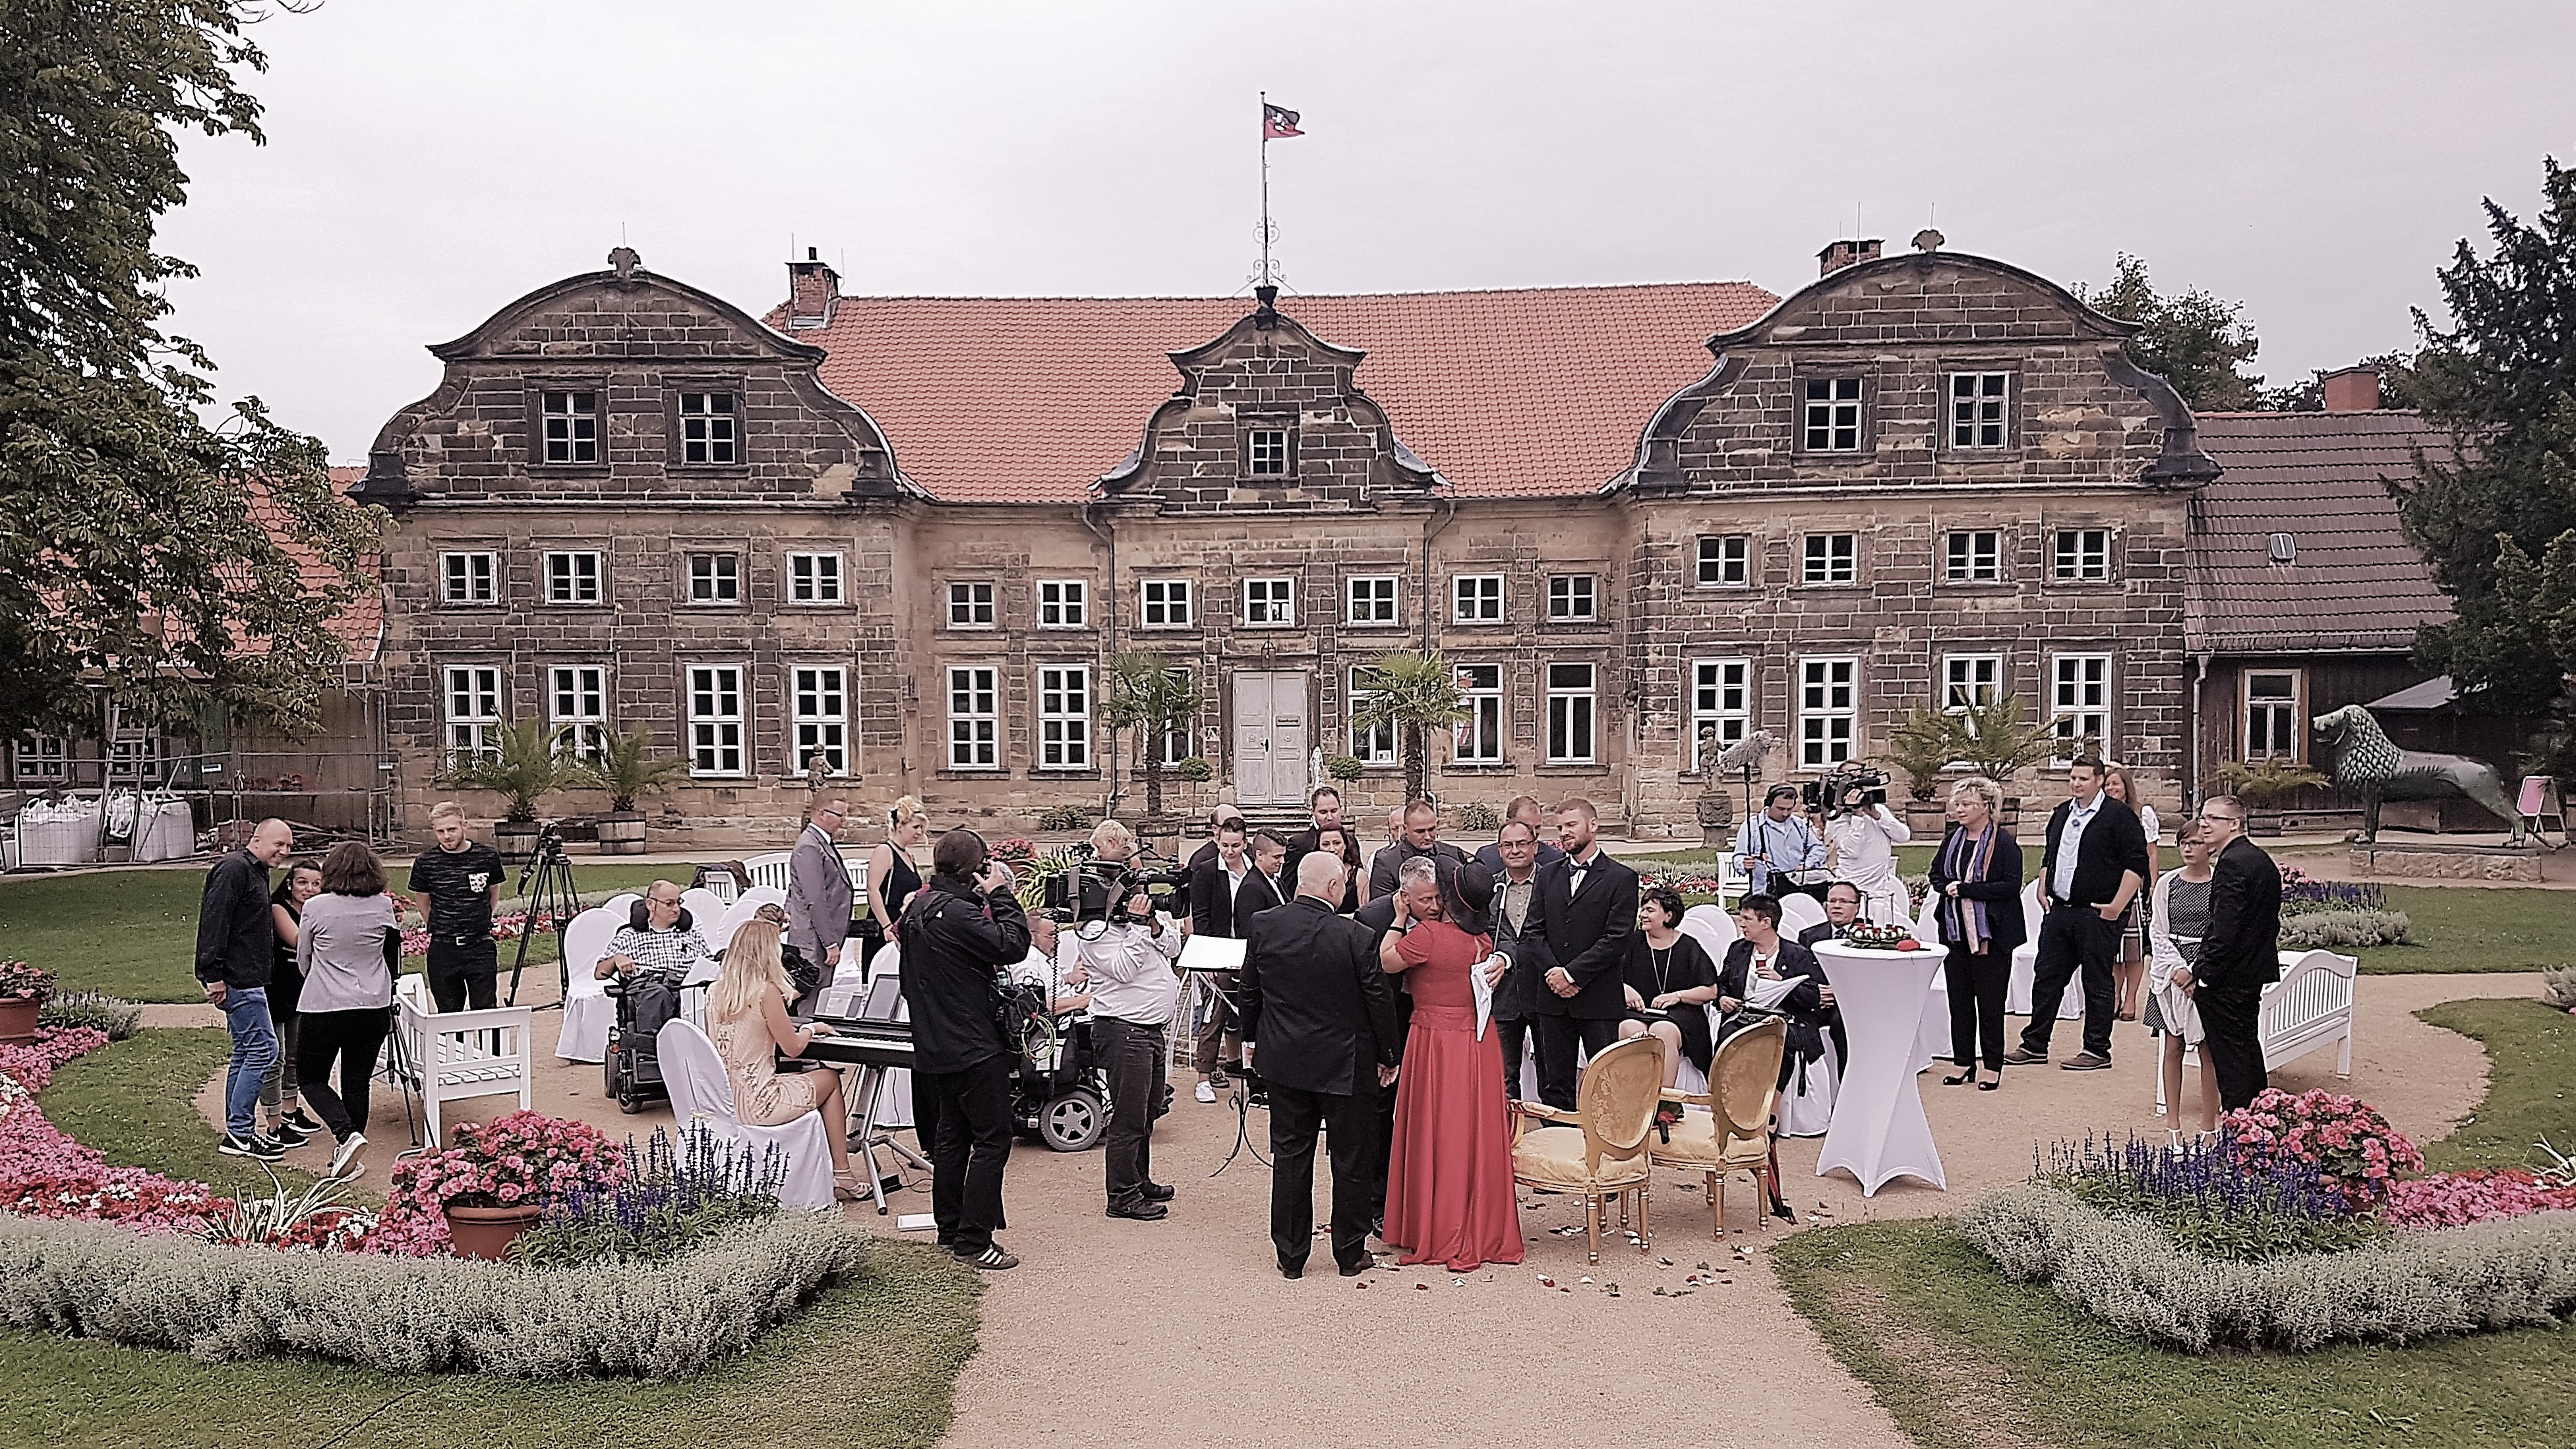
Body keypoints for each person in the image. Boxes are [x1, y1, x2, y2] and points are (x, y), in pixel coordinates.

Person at [1240, 850, 1403, 1279]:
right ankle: (1349, 1253)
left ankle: (1290, 1256)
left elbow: (1249, 989)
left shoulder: (1264, 925)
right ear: (1334, 888)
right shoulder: (1354, 936)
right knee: (1351, 1159)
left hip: (1285, 1059)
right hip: (1344, 1063)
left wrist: (1250, 1039)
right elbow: (1378, 1001)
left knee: (1291, 1156)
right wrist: (1389, 1056)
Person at [899, 829, 1033, 1270]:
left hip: (936, 1041)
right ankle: (974, 1240)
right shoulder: (956, 911)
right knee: (992, 1139)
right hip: (972, 1042)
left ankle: (950, 1228)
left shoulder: (918, 906)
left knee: (952, 1137)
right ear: (976, 869)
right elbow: (1012, 945)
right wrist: (1001, 896)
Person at [1379, 862, 1520, 1270]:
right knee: (1473, 1132)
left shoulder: (1428, 935)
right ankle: (1479, 1222)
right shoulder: (1484, 940)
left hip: (1434, 1039)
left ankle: (1434, 1225)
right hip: (1478, 1040)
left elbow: (1388, 961)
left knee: (1434, 1130)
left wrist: (1398, 919)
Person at [1069, 820, 1184, 1220]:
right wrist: (1137, 929)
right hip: (1123, 1030)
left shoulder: (1137, 916)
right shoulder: (1093, 926)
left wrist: (1150, 924)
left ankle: (1140, 1178)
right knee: (1128, 1114)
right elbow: (1120, 968)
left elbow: (1171, 946)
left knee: (1150, 1109)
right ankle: (1121, 1196)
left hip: (1149, 1030)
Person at [2008, 755, 2150, 1072]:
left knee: (2097, 980)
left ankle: (2097, 1049)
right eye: (2073, 778)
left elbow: (2135, 864)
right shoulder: (2061, 813)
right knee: (2047, 977)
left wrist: (2116, 907)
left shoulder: (2118, 817)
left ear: (2100, 780)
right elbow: (2051, 853)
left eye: (2084, 779)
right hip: (2060, 911)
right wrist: (2044, 885)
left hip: (2097, 913)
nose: (2076, 784)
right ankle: (2035, 1044)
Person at [707, 916, 863, 1200]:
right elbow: (793, 1048)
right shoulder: (765, 992)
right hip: (759, 1104)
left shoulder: (715, 991)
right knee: (829, 1078)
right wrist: (810, 1028)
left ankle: (831, 1166)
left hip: (726, 1101)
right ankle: (842, 1170)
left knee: (791, 1078)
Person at [292, 841, 402, 1179]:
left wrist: (322, 977)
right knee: (357, 1082)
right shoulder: (382, 906)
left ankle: (346, 1135)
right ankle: (350, 1148)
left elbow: (304, 958)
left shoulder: (316, 907)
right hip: (372, 1006)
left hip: (324, 1005)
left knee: (310, 1078)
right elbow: (392, 955)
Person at [1521, 798, 1639, 1111]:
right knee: (1555, 1083)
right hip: (1552, 998)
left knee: (1606, 1080)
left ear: (1593, 826)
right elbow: (1533, 931)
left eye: (1571, 825)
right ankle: (1558, 1147)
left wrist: (1572, 975)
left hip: (1598, 998)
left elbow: (1617, 939)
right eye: (1560, 828)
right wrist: (1554, 974)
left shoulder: (1621, 878)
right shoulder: (1548, 875)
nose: (1564, 833)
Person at [195, 817, 293, 1160]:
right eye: (278, 844)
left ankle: (238, 1131)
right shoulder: (233, 869)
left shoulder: (256, 871)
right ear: (257, 839)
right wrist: (212, 974)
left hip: (250, 975)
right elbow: (214, 921)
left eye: (289, 847)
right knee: (264, 1049)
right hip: (238, 977)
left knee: (246, 1051)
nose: (284, 852)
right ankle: (240, 1133)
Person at [1710, 893, 1807, 1218]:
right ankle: (1731, 1111)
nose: (1742, 924)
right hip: (1741, 1016)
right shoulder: (1738, 951)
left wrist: (1784, 984)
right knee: (1728, 1042)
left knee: (1780, 1047)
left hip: (1779, 1019)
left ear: (1767, 922)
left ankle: (1768, 1120)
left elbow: (1813, 995)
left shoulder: (1795, 954)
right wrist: (1724, 999)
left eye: (1748, 919)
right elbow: (1722, 985)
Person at [2184, 795, 2283, 1111]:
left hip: (2229, 979)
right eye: (2203, 818)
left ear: (2235, 824)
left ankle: (2242, 1131)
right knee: (2246, 1051)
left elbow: (2225, 928)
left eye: (2213, 819)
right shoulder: (2257, 858)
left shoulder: (2233, 863)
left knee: (2232, 1062)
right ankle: (2260, 1120)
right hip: (2250, 972)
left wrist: (2203, 976)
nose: (2204, 824)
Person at [1927, 775, 2025, 1090]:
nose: (1960, 809)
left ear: (1987, 807)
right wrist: (1950, 889)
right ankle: (1962, 1062)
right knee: (1960, 1000)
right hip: (1955, 932)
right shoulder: (1952, 839)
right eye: (1958, 804)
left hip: (1991, 935)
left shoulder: (2005, 843)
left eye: (1968, 804)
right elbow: (1936, 874)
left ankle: (1992, 1065)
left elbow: (2010, 885)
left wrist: (1967, 889)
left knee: (1990, 1001)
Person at [2147, 817, 2223, 1139]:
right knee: (2173, 1046)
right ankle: (2173, 1124)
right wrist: (2177, 969)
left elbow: (2223, 930)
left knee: (2208, 1049)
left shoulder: (2220, 883)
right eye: (2183, 843)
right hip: (2172, 970)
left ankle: (2208, 1125)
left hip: (2207, 969)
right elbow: (2158, 930)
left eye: (2194, 843)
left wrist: (2198, 972)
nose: (2188, 849)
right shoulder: (2168, 883)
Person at [1615, 886, 1722, 1086]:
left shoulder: (1689, 946)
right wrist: (1624, 989)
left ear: (1668, 915)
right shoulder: (1632, 942)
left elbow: (1711, 990)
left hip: (1679, 1014)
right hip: (1638, 1011)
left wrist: (1678, 996)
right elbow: (1609, 977)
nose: (1643, 915)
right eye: (1643, 909)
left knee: (1663, 1031)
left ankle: (1664, 1100)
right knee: (1629, 1028)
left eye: (1650, 911)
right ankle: (1631, 1097)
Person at [407, 802, 506, 1012]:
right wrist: (440, 925)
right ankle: (455, 1047)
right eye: (440, 831)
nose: (447, 836)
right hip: (444, 949)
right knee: (449, 1014)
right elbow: (423, 901)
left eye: (452, 829)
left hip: (480, 946)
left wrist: (481, 919)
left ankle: (491, 1047)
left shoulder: (487, 857)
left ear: (464, 826)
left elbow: (492, 891)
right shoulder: (425, 863)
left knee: (486, 1010)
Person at [1185, 819, 1259, 1102]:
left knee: (1252, 1013)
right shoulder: (1206, 872)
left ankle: (1256, 1074)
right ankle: (1204, 1076)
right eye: (1224, 845)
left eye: (1235, 846)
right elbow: (1201, 917)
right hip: (1217, 951)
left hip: (1247, 951)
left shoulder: (1253, 869)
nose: (1229, 851)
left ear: (1245, 843)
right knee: (1214, 1014)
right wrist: (1210, 959)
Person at [259, 860, 326, 1146]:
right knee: (277, 1056)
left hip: (302, 991)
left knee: (296, 1055)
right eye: (302, 882)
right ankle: (273, 1123)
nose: (309, 889)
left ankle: (290, 1110)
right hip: (276, 990)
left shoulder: (315, 909)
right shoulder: (279, 909)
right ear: (290, 883)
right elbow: (300, 941)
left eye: (316, 884)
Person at [1487, 817, 1545, 1100]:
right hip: (1504, 994)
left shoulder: (1553, 883)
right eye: (1508, 845)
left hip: (1545, 991)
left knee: (1552, 1075)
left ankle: (1556, 1137)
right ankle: (1507, 1139)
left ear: (1535, 846)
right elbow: (1486, 934)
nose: (1515, 850)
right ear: (1499, 850)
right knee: (1502, 1077)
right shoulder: (1491, 889)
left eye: (1522, 844)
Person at [2103, 763, 2163, 1022]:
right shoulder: (2101, 814)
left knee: (2134, 947)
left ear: (2126, 786)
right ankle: (2114, 996)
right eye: (2107, 784)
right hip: (2109, 885)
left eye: (2116, 783)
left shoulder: (2143, 813)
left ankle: (2131, 999)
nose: (2111, 788)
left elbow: (2151, 851)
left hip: (2135, 885)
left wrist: (2152, 882)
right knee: (2114, 947)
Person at [785, 795, 857, 997]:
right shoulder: (810, 846)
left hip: (820, 938)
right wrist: (829, 943)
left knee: (821, 997)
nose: (844, 820)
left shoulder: (822, 842)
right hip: (814, 941)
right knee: (812, 999)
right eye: (840, 815)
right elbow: (815, 899)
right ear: (821, 814)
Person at [1821, 788, 1911, 922]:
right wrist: (1857, 816)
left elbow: (1904, 836)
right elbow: (1852, 849)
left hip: (1881, 891)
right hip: (1853, 893)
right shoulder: (1837, 817)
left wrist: (1876, 815)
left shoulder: (1878, 809)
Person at [597, 880, 714, 980]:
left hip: (689, 988)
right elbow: (599, 973)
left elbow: (711, 966)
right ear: (650, 904)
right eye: (669, 904)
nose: (677, 909)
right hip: (651, 989)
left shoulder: (692, 935)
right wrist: (616, 958)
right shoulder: (629, 936)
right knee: (659, 994)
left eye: (678, 902)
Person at [863, 796, 928, 968]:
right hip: (886, 922)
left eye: (921, 828)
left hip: (905, 924)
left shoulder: (909, 856)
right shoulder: (885, 851)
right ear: (900, 826)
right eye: (915, 827)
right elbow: (873, 890)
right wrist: (886, 926)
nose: (920, 833)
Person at [1733, 784, 1828, 901]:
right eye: (1781, 809)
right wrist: (1744, 864)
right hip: (1767, 891)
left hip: (1798, 887)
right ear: (1768, 804)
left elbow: (1818, 848)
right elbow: (1739, 857)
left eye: (1789, 809)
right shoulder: (1752, 826)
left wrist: (1807, 865)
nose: (1785, 814)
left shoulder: (1799, 824)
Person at [1369, 798, 1468, 900]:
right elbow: (1380, 907)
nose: (1428, 837)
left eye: (1432, 829)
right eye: (1420, 832)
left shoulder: (1454, 854)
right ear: (1405, 828)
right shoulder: (1387, 862)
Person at [1472, 795, 1567, 874]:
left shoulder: (1555, 858)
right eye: (1527, 826)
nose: (1533, 833)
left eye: (1537, 827)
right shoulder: (1486, 857)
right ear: (1509, 822)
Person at [1303, 825, 1363, 913]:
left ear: (1345, 845)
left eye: (1337, 843)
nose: (1332, 849)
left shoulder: (1358, 875)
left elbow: (1365, 912)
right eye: (1326, 845)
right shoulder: (1309, 873)